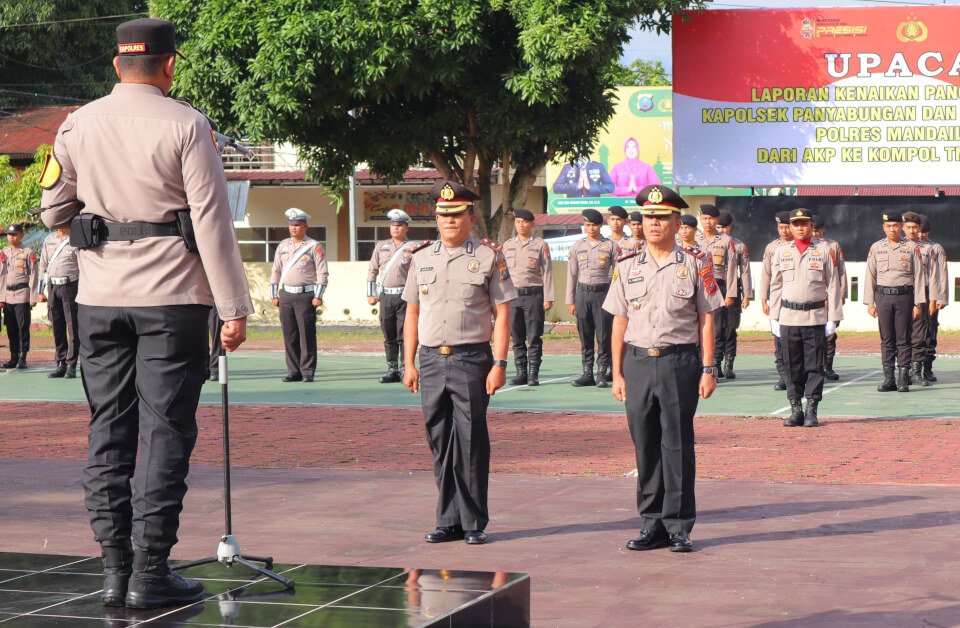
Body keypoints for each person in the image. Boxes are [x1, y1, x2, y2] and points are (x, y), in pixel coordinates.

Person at [38, 17, 253, 609]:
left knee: (108, 430)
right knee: (166, 434)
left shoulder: (76, 124)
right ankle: (150, 573)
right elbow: (210, 222)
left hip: (100, 300)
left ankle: (113, 571)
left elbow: (52, 210)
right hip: (173, 300)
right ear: (169, 64)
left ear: (116, 64)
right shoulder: (187, 124)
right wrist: (233, 308)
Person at [604, 184, 722, 553]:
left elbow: (706, 319)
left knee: (678, 445)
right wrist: (617, 372)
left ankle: (678, 525)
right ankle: (650, 523)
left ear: (675, 221)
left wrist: (708, 368)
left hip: (679, 363)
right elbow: (619, 321)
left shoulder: (694, 264)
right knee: (645, 445)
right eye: (648, 217)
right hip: (638, 363)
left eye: (662, 217)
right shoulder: (625, 267)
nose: (653, 223)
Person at [401, 180, 516, 546]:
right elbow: (412, 313)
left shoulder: (488, 256)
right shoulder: (421, 258)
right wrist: (409, 363)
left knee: (469, 440)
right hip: (432, 359)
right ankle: (447, 520)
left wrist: (499, 362)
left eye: (456, 215)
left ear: (470, 217)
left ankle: (472, 522)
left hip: (471, 359)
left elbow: (502, 312)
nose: (449, 221)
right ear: (436, 218)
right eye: (443, 215)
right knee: (439, 440)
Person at [768, 209, 844, 427]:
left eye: (804, 224)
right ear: (790, 227)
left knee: (815, 365)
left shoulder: (824, 250)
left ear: (811, 226)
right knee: (792, 366)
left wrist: (833, 317)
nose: (800, 228)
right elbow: (776, 285)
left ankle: (812, 408)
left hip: (815, 317)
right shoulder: (782, 252)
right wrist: (774, 317)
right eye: (796, 224)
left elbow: (833, 285)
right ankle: (796, 409)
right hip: (789, 317)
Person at [863, 211, 926, 393]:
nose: (892, 229)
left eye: (895, 225)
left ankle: (903, 379)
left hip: (904, 297)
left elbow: (920, 277)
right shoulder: (876, 248)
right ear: (884, 227)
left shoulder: (912, 247)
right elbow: (870, 276)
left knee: (904, 338)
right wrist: (869, 303)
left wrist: (918, 304)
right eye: (888, 226)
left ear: (901, 226)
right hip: (883, 298)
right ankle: (889, 379)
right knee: (887, 339)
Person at [270, 207, 328, 383]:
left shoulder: (313, 246)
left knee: (306, 334)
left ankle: (307, 371)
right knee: (290, 334)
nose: (293, 228)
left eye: (297, 224)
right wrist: (274, 294)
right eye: (291, 224)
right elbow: (276, 270)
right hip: (286, 295)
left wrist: (318, 295)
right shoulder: (283, 246)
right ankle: (293, 370)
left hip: (306, 295)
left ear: (305, 226)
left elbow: (322, 272)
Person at [566, 208, 621, 388]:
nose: (591, 229)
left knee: (604, 335)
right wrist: (570, 300)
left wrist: (616, 297)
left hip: (603, 293)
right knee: (585, 335)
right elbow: (572, 275)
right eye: (588, 225)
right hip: (582, 293)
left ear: (600, 226)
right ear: (584, 226)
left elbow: (617, 274)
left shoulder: (611, 246)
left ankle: (601, 373)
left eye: (594, 225)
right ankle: (587, 373)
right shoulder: (577, 246)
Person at [502, 208, 553, 386]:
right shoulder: (507, 245)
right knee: (516, 337)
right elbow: (503, 273)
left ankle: (533, 374)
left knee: (533, 337)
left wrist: (548, 297)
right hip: (513, 296)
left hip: (534, 295)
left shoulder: (540, 245)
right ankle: (521, 372)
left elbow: (547, 272)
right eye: (518, 222)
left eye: (524, 222)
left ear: (532, 224)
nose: (521, 225)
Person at [367, 208, 413, 383]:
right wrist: (371, 294)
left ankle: (404, 368)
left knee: (405, 334)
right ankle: (392, 368)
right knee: (389, 333)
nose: (396, 228)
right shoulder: (381, 246)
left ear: (406, 227)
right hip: (385, 297)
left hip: (405, 297)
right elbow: (372, 271)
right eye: (393, 225)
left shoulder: (413, 248)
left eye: (400, 225)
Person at [694, 204, 738, 378]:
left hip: (718, 287)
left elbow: (732, 270)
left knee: (717, 329)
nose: (707, 222)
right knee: (698, 327)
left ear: (716, 220)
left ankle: (715, 364)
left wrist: (730, 294)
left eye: (711, 219)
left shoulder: (726, 241)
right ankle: (700, 364)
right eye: (704, 218)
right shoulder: (695, 240)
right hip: (698, 287)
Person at [37, 224, 80, 378]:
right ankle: (60, 362)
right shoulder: (49, 239)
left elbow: (83, 266)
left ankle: (71, 364)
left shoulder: (76, 238)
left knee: (73, 327)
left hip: (71, 286)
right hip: (53, 287)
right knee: (57, 325)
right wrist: (39, 291)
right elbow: (43, 265)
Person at [901, 212, 939, 387]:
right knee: (901, 335)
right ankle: (902, 372)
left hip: (922, 295)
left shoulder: (928, 249)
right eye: (908, 227)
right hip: (901, 294)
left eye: (915, 227)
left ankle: (916, 372)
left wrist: (933, 299)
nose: (912, 231)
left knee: (919, 334)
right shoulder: (896, 247)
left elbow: (933, 276)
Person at [716, 211, 752, 379]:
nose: (721, 230)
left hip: (733, 291)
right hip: (714, 290)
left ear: (730, 227)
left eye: (724, 227)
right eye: (718, 227)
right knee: (715, 329)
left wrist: (746, 295)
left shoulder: (739, 246)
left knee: (730, 329)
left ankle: (728, 365)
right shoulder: (707, 243)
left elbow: (744, 272)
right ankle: (716, 364)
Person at [759, 211, 793, 391]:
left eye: (787, 226)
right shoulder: (771, 248)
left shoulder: (801, 246)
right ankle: (783, 376)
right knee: (778, 339)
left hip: (795, 300)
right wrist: (764, 299)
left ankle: (796, 375)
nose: (784, 230)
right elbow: (765, 274)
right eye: (781, 227)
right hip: (776, 300)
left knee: (794, 339)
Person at [812, 215, 847, 381]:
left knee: (830, 334)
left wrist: (841, 295)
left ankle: (828, 366)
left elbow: (841, 272)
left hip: (830, 298)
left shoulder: (833, 246)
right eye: (812, 230)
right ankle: (815, 366)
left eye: (817, 230)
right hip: (814, 299)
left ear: (823, 229)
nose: (814, 233)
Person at [0, 223, 38, 369]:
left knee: (23, 327)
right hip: (8, 294)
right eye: (10, 234)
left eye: (15, 234)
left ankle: (23, 357)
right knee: (10, 328)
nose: (11, 237)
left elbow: (34, 275)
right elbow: (1, 275)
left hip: (22, 293)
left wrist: (33, 297)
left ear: (21, 235)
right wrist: (1, 297)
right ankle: (13, 356)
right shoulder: (4, 253)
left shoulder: (28, 252)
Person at [920, 215, 947, 383]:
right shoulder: (907, 246)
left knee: (930, 331)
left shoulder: (936, 248)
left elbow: (942, 273)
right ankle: (911, 368)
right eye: (918, 231)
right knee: (911, 333)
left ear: (928, 231)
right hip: (913, 294)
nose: (921, 234)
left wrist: (941, 298)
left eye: (924, 231)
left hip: (931, 293)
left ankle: (927, 368)